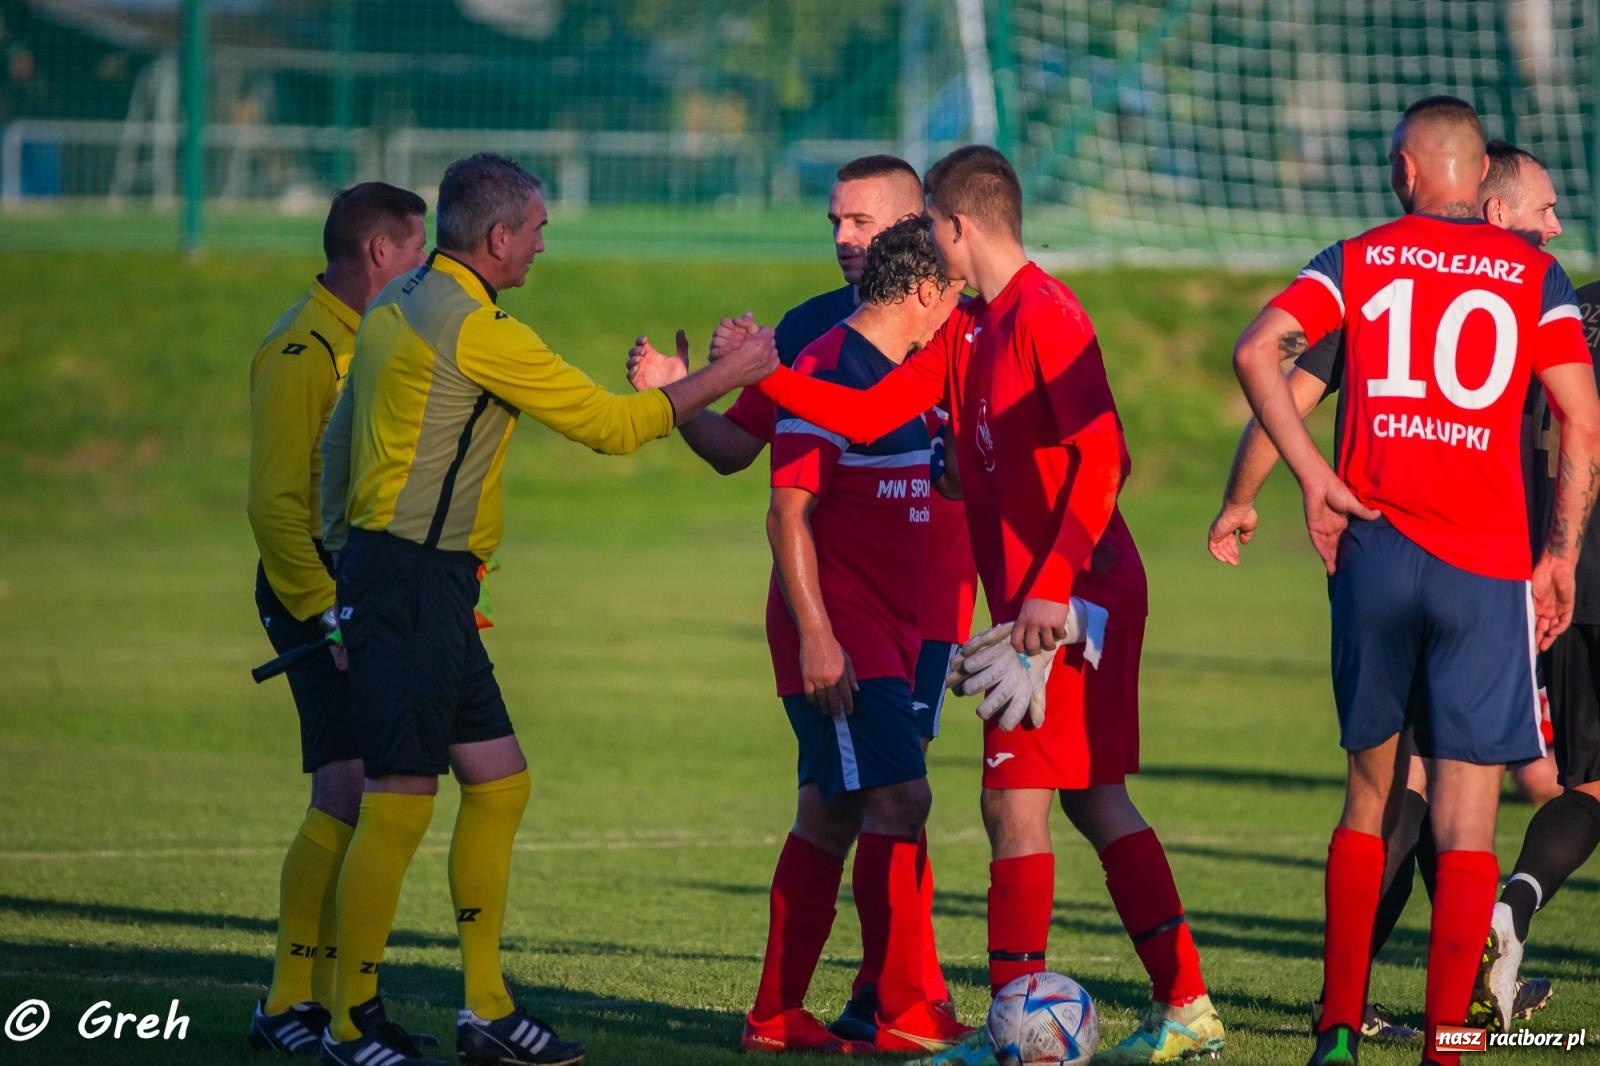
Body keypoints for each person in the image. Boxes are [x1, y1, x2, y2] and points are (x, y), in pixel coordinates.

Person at [719, 145, 1225, 1066]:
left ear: (954, 227)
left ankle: (1016, 1028)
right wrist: (754, 375)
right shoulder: (969, 330)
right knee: (1088, 801)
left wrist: (1053, 585)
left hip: (1077, 599)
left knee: (1015, 806)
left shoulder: (1046, 313)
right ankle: (1181, 1003)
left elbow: (1106, 456)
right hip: (1044, 602)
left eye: (927, 229)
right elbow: (864, 415)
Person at [314, 152, 777, 1066]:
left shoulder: (399, 298)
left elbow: (337, 445)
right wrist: (732, 374)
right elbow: (610, 426)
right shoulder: (477, 329)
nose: (541, 243)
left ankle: (486, 1011)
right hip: (410, 581)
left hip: (415, 582)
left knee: (499, 781)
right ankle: (348, 1022)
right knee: (399, 798)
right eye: (536, 229)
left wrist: (341, 573)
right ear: (497, 238)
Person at [1231, 97, 1600, 1066]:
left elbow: (1257, 352)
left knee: (1372, 796)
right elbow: (1580, 418)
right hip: (1483, 566)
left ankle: (1336, 1032)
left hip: (1377, 554)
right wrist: (1559, 554)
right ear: (1479, 177)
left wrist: (1311, 475)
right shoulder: (1533, 276)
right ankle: (1448, 1044)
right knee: (1467, 818)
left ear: (1404, 169)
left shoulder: (1357, 259)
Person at [626, 154, 979, 1044]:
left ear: (915, 226)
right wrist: (693, 390)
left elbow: (879, 423)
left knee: (855, 801)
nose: (843, 238)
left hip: (926, 606)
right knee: (893, 798)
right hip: (846, 615)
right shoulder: (822, 335)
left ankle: (828, 1006)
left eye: (861, 221)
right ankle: (901, 1005)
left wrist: (749, 374)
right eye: (835, 222)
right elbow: (768, 478)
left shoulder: (946, 323)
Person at [719, 216, 969, 1056]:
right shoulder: (830, 364)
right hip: (842, 632)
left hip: (892, 628)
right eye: (956, 293)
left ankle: (775, 1017)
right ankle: (898, 1009)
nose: (959, 310)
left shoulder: (903, 371)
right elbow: (786, 513)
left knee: (830, 816)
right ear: (926, 291)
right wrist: (819, 639)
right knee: (902, 800)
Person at [245, 181, 427, 1055]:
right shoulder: (301, 348)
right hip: (314, 589)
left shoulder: (377, 335)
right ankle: (291, 1004)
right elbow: (276, 505)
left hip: (365, 583)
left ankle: (324, 1003)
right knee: (346, 786)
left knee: (366, 788)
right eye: (418, 251)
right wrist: (326, 613)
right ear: (380, 252)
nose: (425, 267)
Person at [1473, 285, 1600, 1031]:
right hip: (1565, 571)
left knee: (1589, 784)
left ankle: (1514, 904)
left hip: (1555, 576)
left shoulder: (1559, 311)